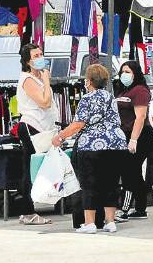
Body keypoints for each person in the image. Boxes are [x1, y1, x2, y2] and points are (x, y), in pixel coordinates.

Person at [52, 64, 128, 234]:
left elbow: (78, 124)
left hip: (92, 146)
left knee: (89, 183)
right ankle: (110, 222)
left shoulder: (87, 99)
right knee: (111, 183)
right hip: (116, 144)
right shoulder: (111, 98)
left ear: (89, 81)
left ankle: (90, 223)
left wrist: (60, 137)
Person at [16, 43, 60, 224]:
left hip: (44, 127)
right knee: (30, 168)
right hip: (31, 127)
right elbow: (44, 102)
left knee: (38, 167)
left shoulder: (38, 78)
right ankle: (27, 211)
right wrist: (47, 78)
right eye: (36, 55)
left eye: (41, 54)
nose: (40, 57)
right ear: (28, 61)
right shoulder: (28, 79)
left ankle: (30, 208)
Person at [114, 60, 153, 222]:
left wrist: (134, 140)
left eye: (128, 71)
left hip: (140, 135)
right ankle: (140, 208)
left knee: (129, 172)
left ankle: (124, 208)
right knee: (134, 172)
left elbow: (140, 117)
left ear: (136, 73)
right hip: (126, 134)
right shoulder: (124, 91)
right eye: (123, 71)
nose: (125, 74)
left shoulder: (140, 91)